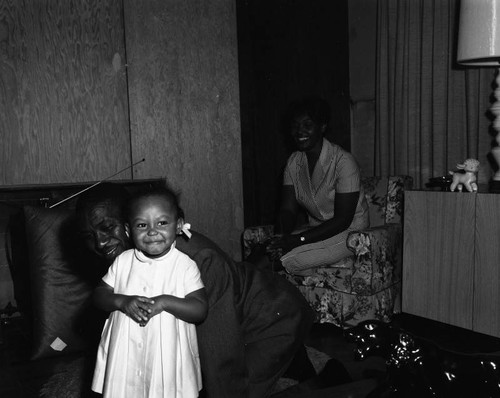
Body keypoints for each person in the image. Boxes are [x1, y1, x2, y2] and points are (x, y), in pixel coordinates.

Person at [76, 182, 316, 398]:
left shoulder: (197, 260)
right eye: (89, 235)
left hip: (275, 315)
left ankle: (318, 373)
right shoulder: (125, 258)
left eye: (107, 228)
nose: (100, 243)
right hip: (233, 310)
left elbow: (221, 352)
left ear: (129, 222)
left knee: (232, 389)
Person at [90, 186, 208, 397]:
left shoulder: (184, 266)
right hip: (125, 350)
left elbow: (199, 309)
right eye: (142, 225)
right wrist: (121, 301)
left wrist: (164, 302)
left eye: (162, 223)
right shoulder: (123, 262)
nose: (152, 231)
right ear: (128, 230)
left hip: (166, 354)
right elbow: (99, 295)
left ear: (179, 225)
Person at [265, 96, 369, 276]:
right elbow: (287, 210)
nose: (300, 131)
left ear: (322, 127)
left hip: (351, 232)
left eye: (307, 124)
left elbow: (342, 220)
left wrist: (298, 240)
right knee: (265, 252)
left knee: (282, 259)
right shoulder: (293, 162)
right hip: (317, 230)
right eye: (295, 125)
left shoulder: (343, 162)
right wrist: (280, 237)